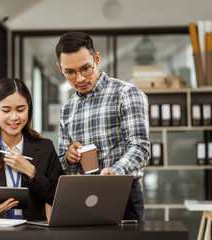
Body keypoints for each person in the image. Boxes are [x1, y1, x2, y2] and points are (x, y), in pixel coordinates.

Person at [55, 31, 150, 221]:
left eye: (85, 68)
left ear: (97, 59)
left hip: (122, 194)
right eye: (70, 72)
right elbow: (63, 165)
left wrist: (113, 173)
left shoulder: (126, 93)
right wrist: (69, 158)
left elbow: (140, 147)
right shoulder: (67, 109)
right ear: (60, 69)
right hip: (81, 196)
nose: (80, 78)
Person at [0, 77, 63, 220]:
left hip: (32, 234)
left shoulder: (44, 148)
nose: (14, 117)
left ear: (29, 108)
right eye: (6, 110)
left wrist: (31, 171)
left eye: (21, 109)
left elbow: (59, 199)